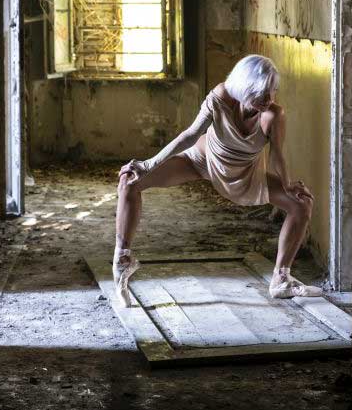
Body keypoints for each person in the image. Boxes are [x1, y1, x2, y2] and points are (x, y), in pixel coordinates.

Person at [113, 54, 322, 307]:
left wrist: (288, 185)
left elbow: (277, 155)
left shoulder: (273, 115)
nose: (269, 100)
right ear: (243, 88)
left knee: (302, 204)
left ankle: (281, 279)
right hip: (202, 160)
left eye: (271, 92)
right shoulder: (221, 98)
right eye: (261, 93)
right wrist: (148, 164)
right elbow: (190, 135)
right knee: (130, 180)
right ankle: (122, 259)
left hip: (244, 176)